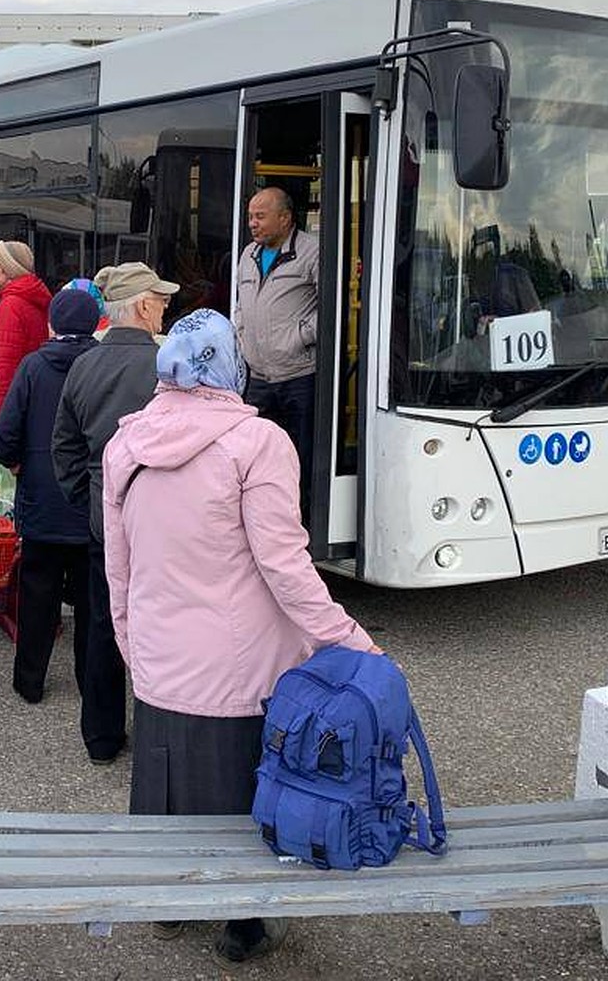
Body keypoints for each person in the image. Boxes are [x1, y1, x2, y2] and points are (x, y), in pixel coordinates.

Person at [102, 308, 376, 966]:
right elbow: (284, 565)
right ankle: (245, 922)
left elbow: (119, 567)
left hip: (162, 664)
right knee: (241, 796)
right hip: (241, 670)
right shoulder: (260, 445)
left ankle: (170, 904)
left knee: (166, 781)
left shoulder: (125, 446)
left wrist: (133, 647)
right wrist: (347, 639)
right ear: (232, 364)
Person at [51, 261, 179, 765]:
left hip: (104, 518)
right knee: (162, 627)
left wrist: (89, 503)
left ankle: (101, 737)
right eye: (162, 301)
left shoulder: (84, 364)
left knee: (103, 623)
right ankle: (160, 733)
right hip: (163, 519)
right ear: (143, 306)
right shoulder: (168, 363)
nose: (165, 308)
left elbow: (64, 446)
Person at [0, 288, 100, 704]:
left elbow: (6, 432)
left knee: (38, 594)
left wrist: (17, 462)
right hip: (90, 502)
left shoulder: (34, 366)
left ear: (52, 324)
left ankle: (30, 681)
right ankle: (90, 682)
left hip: (41, 498)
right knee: (92, 602)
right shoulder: (100, 366)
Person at [233, 186, 319, 518]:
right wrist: (242, 332)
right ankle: (262, 520)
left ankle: (300, 524)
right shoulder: (248, 254)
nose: (252, 223)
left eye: (260, 216)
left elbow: (331, 307)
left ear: (285, 218)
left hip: (299, 376)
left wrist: (299, 336)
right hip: (258, 378)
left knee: (300, 458)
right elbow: (242, 305)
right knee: (256, 460)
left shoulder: (312, 252)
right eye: (250, 216)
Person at [0, 240, 51, 431]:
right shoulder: (31, 300)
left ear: (7, 269)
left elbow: (4, 371)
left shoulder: (10, 306)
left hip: (8, 413)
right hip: (28, 405)